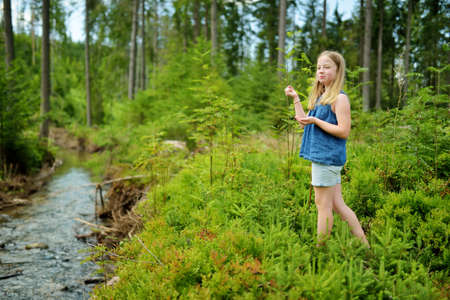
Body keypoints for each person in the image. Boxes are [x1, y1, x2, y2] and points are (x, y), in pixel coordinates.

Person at [285, 50, 369, 247]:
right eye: (319, 67)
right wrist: (296, 98)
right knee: (338, 205)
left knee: (323, 206)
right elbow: (304, 123)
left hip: (327, 159)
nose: (321, 71)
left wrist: (316, 120)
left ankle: (320, 250)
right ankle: (365, 246)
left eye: (327, 67)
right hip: (322, 158)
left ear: (338, 70)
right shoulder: (321, 97)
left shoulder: (339, 99)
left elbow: (343, 131)